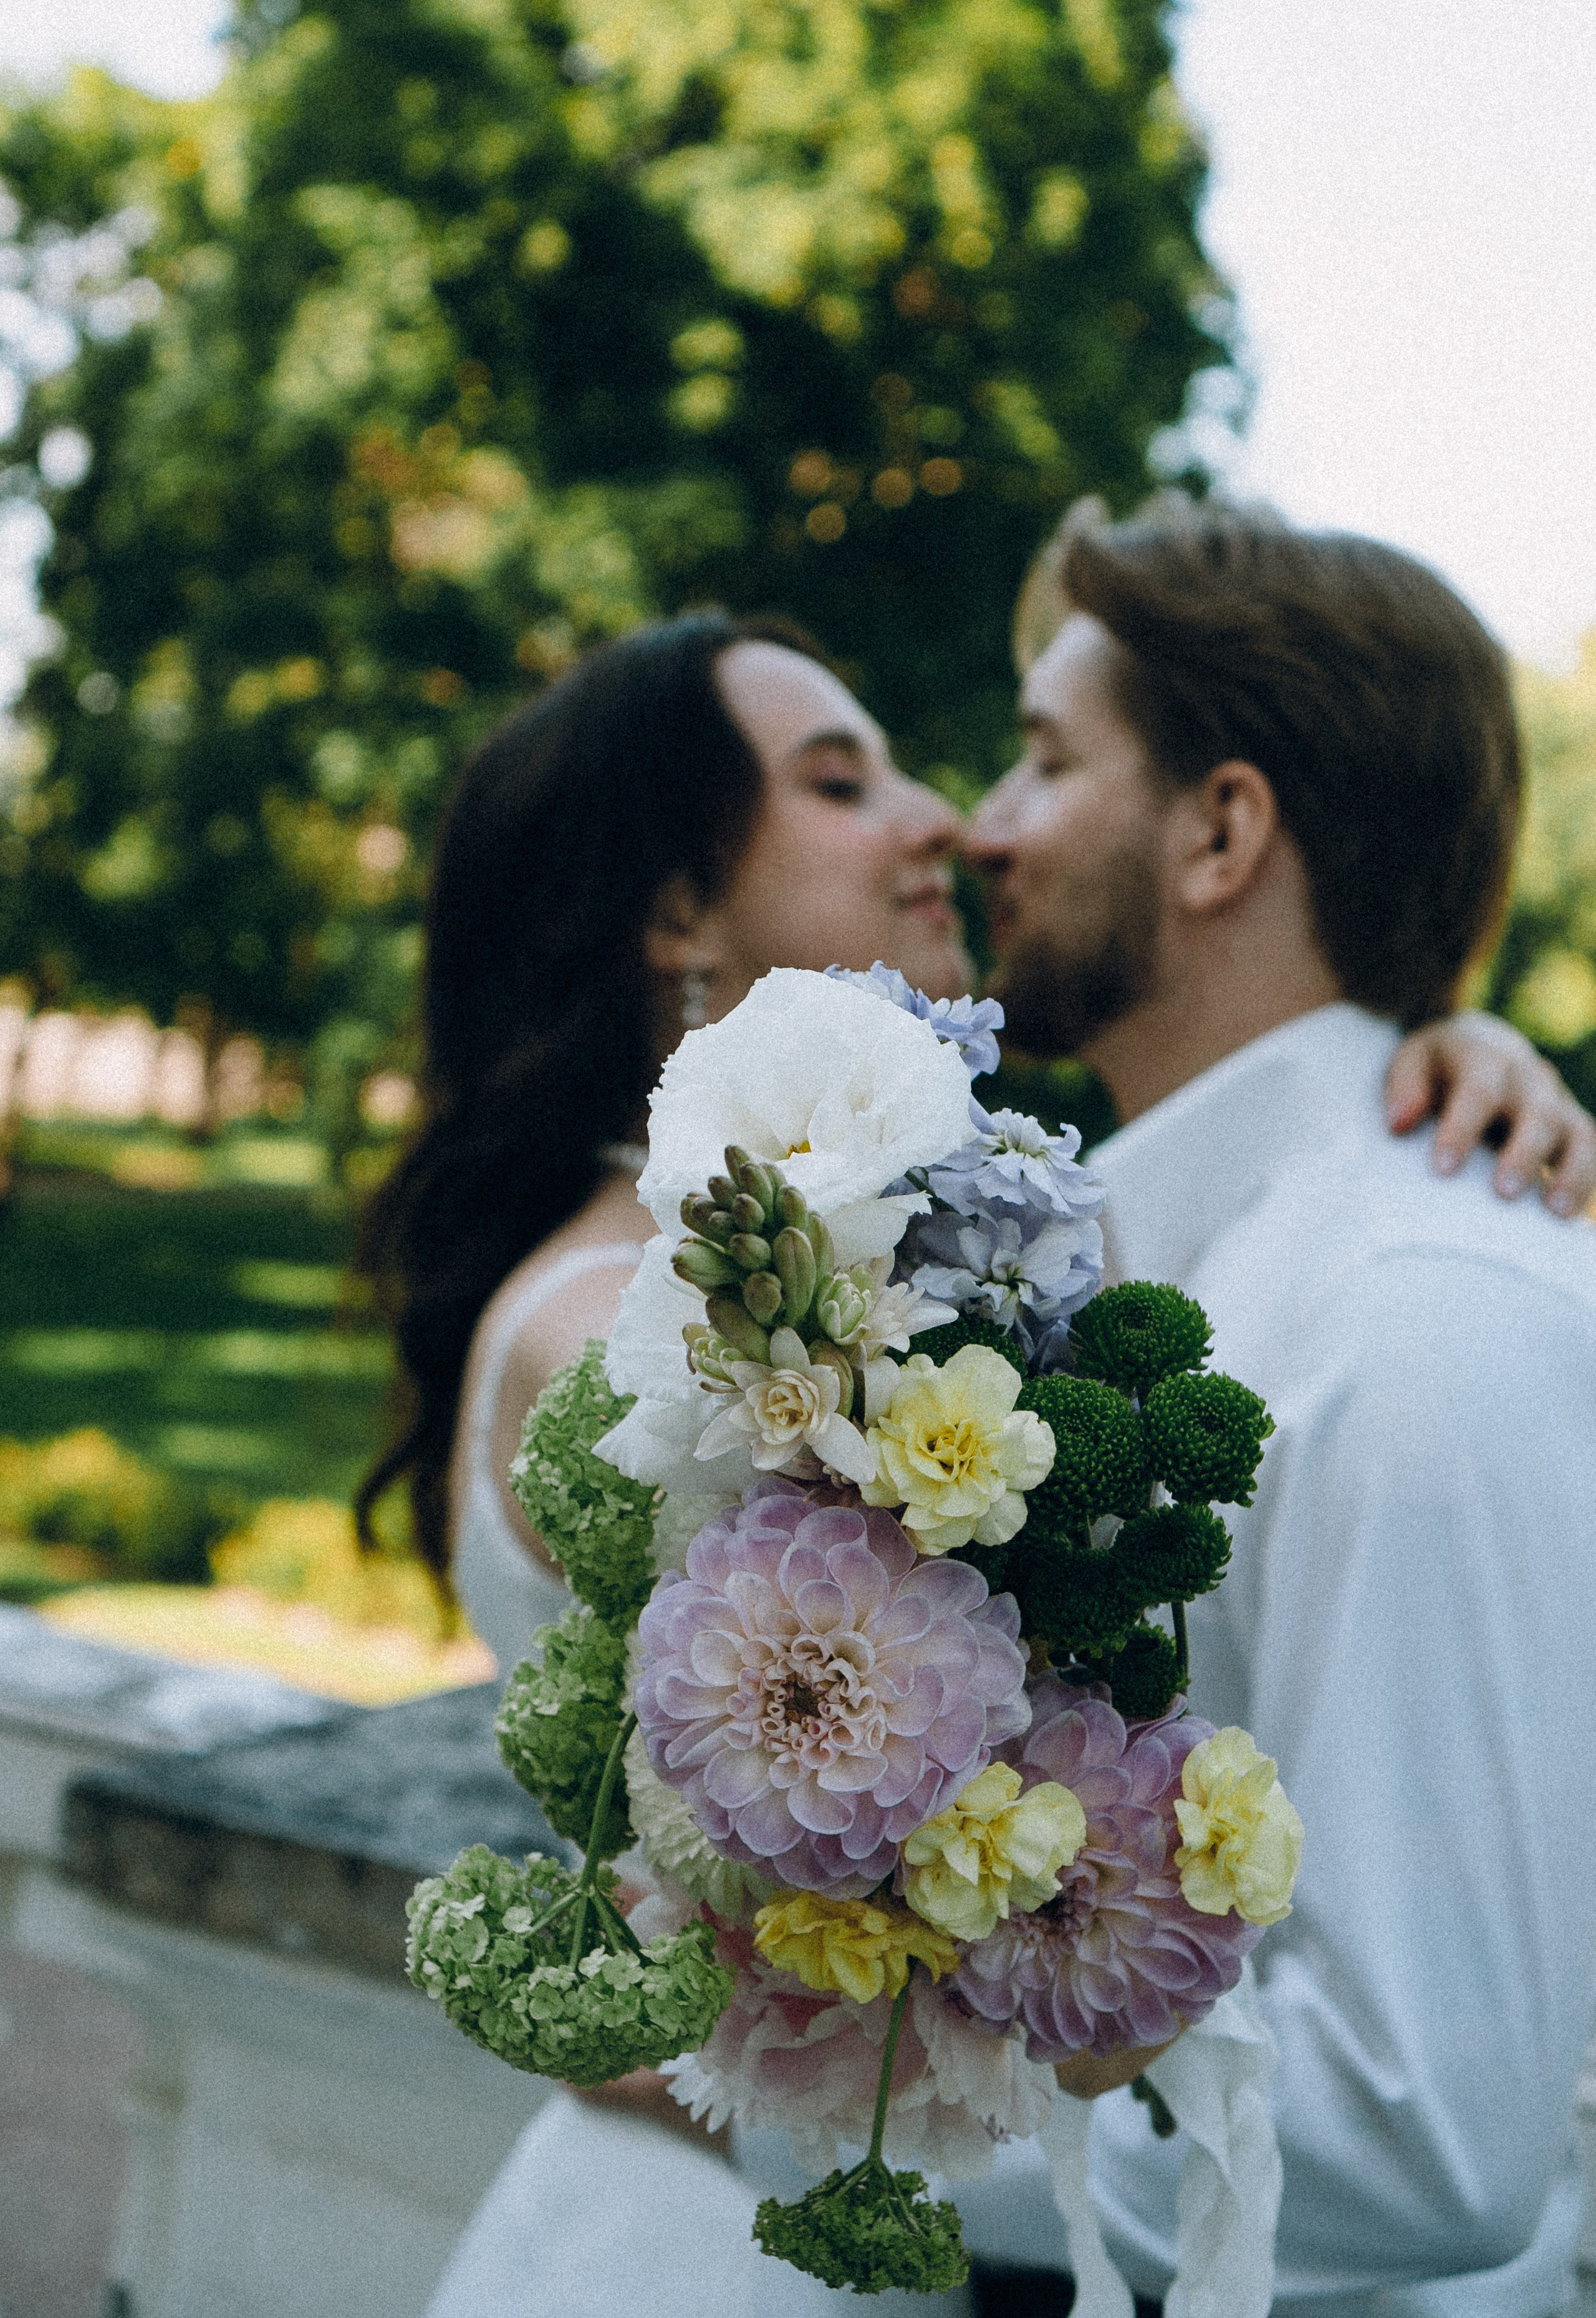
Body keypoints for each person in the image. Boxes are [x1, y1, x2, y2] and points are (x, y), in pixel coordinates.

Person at [360, 600, 1594, 2318]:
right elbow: (982, 1774)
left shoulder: (897, 1261)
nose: (944, 814)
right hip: (724, 2232)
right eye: (841, 778)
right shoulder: (630, 1328)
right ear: (677, 908)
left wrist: (1411, 1065)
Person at [961, 494, 1596, 2316]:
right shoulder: (1141, 1271)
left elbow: (1420, 2131)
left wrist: (828, 2109)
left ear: (1221, 829)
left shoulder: (1426, 1329)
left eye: (1042, 760)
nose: (982, 828)